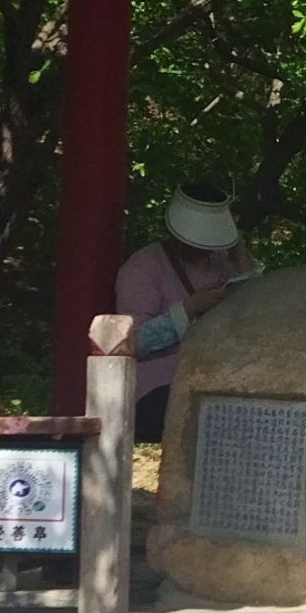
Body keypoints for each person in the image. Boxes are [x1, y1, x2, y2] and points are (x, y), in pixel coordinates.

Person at [115, 187, 256, 439]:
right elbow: (134, 342)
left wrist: (241, 258)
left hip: (220, 375)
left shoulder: (223, 261)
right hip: (158, 386)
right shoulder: (143, 268)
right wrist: (190, 308)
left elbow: (258, 312)